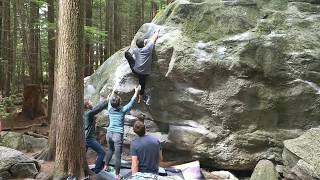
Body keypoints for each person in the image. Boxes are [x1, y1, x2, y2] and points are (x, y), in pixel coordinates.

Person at [104, 85, 141, 180]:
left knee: (110, 150)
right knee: (117, 156)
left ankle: (105, 166)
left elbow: (109, 100)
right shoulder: (123, 110)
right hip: (117, 135)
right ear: (119, 103)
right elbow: (132, 102)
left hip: (109, 133)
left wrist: (113, 90)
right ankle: (117, 175)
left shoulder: (109, 108)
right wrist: (136, 92)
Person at [125, 29, 160, 105]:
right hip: (145, 72)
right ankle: (141, 96)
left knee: (127, 55)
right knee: (142, 83)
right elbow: (154, 38)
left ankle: (140, 97)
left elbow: (132, 53)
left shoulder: (135, 50)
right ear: (145, 44)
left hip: (136, 70)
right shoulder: (148, 48)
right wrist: (156, 32)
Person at [84, 99, 108, 174]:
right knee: (102, 152)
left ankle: (81, 168)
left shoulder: (85, 112)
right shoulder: (89, 113)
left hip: (85, 138)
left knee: (82, 154)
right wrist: (107, 101)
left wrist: (105, 100)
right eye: (90, 101)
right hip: (88, 138)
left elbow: (96, 108)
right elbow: (98, 109)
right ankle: (97, 170)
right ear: (87, 105)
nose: (92, 102)